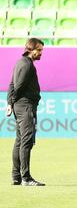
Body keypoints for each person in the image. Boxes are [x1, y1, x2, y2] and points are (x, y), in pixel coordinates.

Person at [6, 38, 45, 186]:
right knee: (26, 142)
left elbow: (12, 84)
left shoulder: (19, 63)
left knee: (20, 141)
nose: (41, 53)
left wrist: (10, 102)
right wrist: (12, 101)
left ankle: (16, 177)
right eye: (39, 50)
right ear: (30, 49)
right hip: (25, 106)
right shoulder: (27, 65)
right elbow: (19, 86)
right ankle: (26, 178)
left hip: (20, 106)